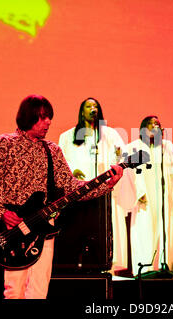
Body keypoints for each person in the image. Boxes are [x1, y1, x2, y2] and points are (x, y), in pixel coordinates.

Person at [0, 94, 123, 299]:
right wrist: (2, 213)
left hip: (44, 229)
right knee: (14, 291)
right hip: (14, 228)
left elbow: (71, 187)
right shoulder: (5, 144)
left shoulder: (52, 150)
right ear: (28, 117)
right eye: (43, 117)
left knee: (38, 291)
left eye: (49, 117)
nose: (48, 122)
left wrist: (107, 184)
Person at [58, 97, 128, 273]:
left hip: (102, 192)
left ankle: (105, 267)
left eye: (95, 106)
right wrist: (72, 174)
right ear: (82, 111)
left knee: (103, 230)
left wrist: (119, 156)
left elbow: (121, 158)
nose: (92, 109)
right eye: (88, 106)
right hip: (77, 194)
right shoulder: (68, 136)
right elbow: (60, 163)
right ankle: (75, 269)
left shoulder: (110, 134)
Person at [119, 116, 173, 276]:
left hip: (165, 199)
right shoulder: (133, 147)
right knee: (145, 232)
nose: (155, 126)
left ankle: (168, 266)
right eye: (151, 124)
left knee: (166, 231)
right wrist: (138, 192)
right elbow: (127, 174)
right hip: (144, 200)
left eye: (158, 124)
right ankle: (146, 269)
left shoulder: (166, 146)